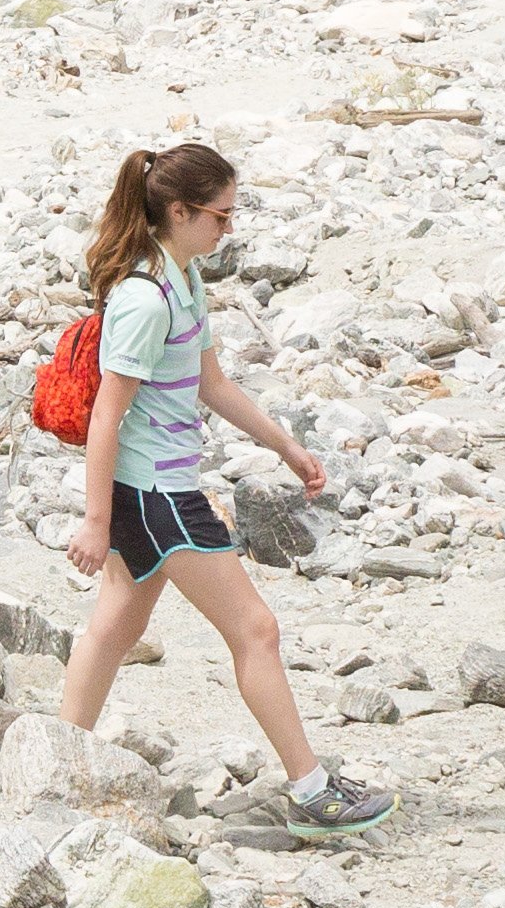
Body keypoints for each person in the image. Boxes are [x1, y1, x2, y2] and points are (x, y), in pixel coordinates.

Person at [55, 143, 387, 837]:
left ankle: (57, 768)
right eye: (221, 215)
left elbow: (212, 382)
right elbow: (106, 417)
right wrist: (95, 520)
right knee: (256, 630)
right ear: (179, 211)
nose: (228, 229)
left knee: (116, 626)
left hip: (154, 488)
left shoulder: (182, 277)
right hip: (158, 494)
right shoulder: (146, 298)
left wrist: (285, 446)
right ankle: (312, 791)